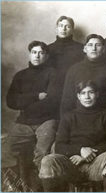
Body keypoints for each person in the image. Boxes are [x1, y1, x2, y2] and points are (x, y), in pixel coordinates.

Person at [39, 80, 106, 192]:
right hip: (72, 165)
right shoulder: (68, 117)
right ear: (78, 96)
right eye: (83, 93)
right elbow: (59, 146)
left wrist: (86, 156)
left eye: (91, 92)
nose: (87, 97)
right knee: (48, 160)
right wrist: (80, 150)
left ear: (97, 94)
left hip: (96, 165)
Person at [6, 41, 58, 191]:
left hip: (46, 121)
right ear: (30, 54)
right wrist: (36, 96)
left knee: (42, 154)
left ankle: (40, 188)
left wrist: (24, 102)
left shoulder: (53, 73)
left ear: (46, 56)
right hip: (24, 122)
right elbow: (11, 101)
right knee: (4, 153)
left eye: (41, 53)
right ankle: (17, 188)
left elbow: (52, 101)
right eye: (34, 52)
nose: (37, 55)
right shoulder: (20, 75)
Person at [60, 34, 106, 126]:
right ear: (84, 49)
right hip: (79, 119)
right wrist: (65, 123)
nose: (94, 48)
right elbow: (67, 100)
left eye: (98, 45)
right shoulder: (74, 70)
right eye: (90, 45)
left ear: (103, 49)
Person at [48, 16, 84, 118]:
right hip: (54, 90)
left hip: (74, 89)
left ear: (72, 30)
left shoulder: (80, 48)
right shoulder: (48, 49)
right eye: (61, 26)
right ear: (56, 28)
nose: (63, 29)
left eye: (67, 26)